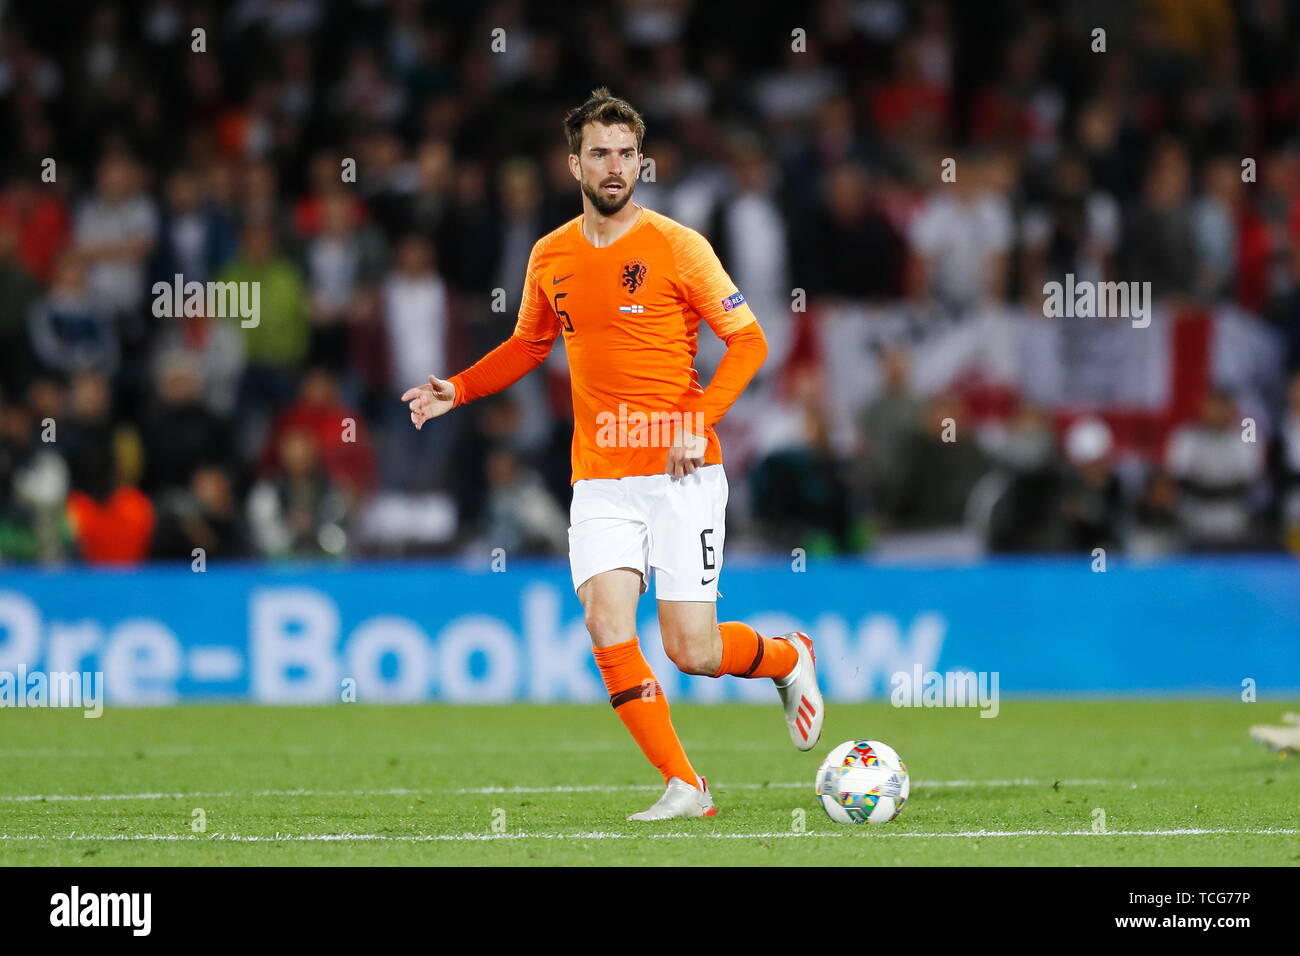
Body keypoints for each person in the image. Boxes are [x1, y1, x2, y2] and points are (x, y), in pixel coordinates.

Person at [402, 89, 823, 820]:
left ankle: (789, 658)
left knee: (691, 649)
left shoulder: (678, 245)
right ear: (575, 164)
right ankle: (686, 785)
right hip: (599, 475)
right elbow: (532, 344)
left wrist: (698, 419)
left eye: (627, 153)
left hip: (681, 472)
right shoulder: (551, 254)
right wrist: (458, 388)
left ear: (641, 161)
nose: (616, 166)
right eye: (600, 152)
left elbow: (750, 341)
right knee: (605, 621)